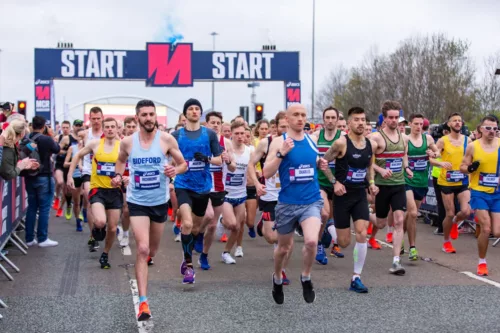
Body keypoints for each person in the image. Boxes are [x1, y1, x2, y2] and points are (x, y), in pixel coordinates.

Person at [112, 100, 186, 321]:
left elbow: (183, 164)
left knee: (152, 250)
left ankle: (148, 258)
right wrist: (117, 176)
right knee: (142, 249)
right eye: (144, 114)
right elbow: (120, 161)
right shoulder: (127, 142)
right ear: (137, 118)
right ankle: (143, 302)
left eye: (151, 114)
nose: (148, 118)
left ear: (156, 117)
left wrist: (175, 169)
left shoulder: (166, 139)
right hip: (137, 202)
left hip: (159, 202)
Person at [263, 104, 328, 304]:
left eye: (303, 115)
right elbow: (266, 173)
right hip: (287, 203)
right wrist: (281, 154)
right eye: (296, 115)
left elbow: (310, 160)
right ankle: (277, 277)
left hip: (311, 200)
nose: (300, 119)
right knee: (283, 248)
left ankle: (306, 277)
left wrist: (319, 164)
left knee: (311, 241)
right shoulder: (278, 142)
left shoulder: (312, 139)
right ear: (288, 119)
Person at [322, 107, 379, 293]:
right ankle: (328, 227)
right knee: (344, 242)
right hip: (342, 196)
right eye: (356, 120)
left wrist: (371, 183)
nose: (361, 123)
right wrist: (334, 182)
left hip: (360, 194)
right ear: (348, 123)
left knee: (362, 233)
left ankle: (356, 277)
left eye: (363, 120)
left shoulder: (370, 144)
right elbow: (322, 162)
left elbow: (370, 166)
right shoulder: (341, 143)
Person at [171, 98, 222, 284]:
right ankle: (188, 266)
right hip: (183, 184)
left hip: (203, 186)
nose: (194, 111)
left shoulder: (209, 134)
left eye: (197, 109)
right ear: (185, 114)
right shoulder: (176, 135)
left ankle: (192, 242)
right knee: (186, 223)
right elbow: (167, 157)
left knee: (195, 227)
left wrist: (207, 158)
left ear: (200, 113)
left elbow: (219, 160)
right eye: (190, 109)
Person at [68, 118, 122, 269]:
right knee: (100, 222)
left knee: (112, 228)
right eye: (107, 127)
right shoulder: (95, 144)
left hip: (114, 191)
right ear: (103, 129)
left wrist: (125, 178)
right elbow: (77, 156)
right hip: (97, 189)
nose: (110, 129)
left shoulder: (122, 146)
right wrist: (69, 175)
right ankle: (97, 229)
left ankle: (105, 253)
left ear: (117, 129)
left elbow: (130, 166)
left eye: (113, 127)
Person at [370, 100, 411, 275]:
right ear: (384, 119)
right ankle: (364, 214)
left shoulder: (404, 138)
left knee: (399, 219)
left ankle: (396, 261)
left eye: (397, 117)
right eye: (391, 118)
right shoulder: (376, 138)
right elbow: (367, 162)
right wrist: (380, 169)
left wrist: (407, 167)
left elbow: (404, 156)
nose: (394, 121)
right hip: (382, 186)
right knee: (380, 222)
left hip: (399, 184)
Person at [251, 111, 291, 283]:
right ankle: (262, 225)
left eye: (287, 127)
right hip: (269, 195)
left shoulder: (296, 143)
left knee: (286, 238)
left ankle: (281, 271)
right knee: (272, 237)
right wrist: (257, 183)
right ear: (276, 127)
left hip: (288, 196)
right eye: (282, 126)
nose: (285, 130)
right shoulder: (265, 144)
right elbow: (251, 165)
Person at [460, 115, 500, 276]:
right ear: (480, 129)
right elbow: (462, 166)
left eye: (495, 128)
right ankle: (482, 262)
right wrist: (470, 169)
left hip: (497, 193)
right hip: (479, 191)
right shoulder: (473, 147)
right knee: (486, 227)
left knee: (497, 232)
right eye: (488, 128)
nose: (491, 131)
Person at [196, 111, 235, 270]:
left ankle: (204, 255)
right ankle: (198, 234)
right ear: (206, 124)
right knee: (209, 215)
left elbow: (232, 168)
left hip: (219, 187)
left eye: (218, 123)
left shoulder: (226, 143)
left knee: (212, 226)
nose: (216, 126)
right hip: (202, 186)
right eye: (213, 123)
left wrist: (228, 160)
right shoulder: (200, 140)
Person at [403, 114, 440, 260]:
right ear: (410, 124)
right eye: (416, 124)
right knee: (412, 213)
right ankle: (412, 247)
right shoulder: (405, 139)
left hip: (422, 181)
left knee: (411, 214)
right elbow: (403, 157)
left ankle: (399, 239)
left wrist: (434, 153)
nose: (418, 127)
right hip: (407, 179)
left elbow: (437, 152)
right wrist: (406, 168)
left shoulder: (428, 139)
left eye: (421, 124)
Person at [435, 113, 471, 253]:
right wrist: (440, 162)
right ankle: (446, 242)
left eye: (459, 121)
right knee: (449, 213)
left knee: (466, 211)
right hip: (446, 181)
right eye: (454, 121)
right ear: (449, 124)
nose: (457, 123)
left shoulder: (468, 140)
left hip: (462, 180)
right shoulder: (443, 141)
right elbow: (434, 157)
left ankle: (456, 221)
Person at [312, 106, 344, 263]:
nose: (330, 121)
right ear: (323, 119)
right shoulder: (316, 137)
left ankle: (328, 238)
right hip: (321, 182)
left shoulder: (343, 137)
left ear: (338, 120)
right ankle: (318, 244)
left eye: (333, 117)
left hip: (338, 183)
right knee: (324, 213)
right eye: (328, 118)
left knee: (335, 218)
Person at [25, 116, 60, 247]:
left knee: (32, 207)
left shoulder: (26, 138)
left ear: (32, 125)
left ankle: (29, 239)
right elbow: (57, 149)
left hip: (29, 176)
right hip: (44, 175)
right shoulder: (46, 139)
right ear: (44, 126)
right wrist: (51, 135)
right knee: (44, 208)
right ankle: (42, 238)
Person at [81, 107, 104, 251]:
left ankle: (101, 226)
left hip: (105, 173)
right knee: (89, 200)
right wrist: (78, 166)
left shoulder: (108, 132)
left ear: (102, 118)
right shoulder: (85, 134)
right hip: (89, 172)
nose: (95, 121)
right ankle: (92, 235)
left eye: (98, 118)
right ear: (89, 119)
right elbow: (79, 152)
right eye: (93, 118)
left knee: (104, 206)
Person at [119, 116, 138, 247]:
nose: (131, 129)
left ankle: (125, 234)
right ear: (124, 127)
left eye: (133, 127)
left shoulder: (141, 142)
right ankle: (119, 228)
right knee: (119, 210)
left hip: (135, 181)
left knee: (126, 210)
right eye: (129, 127)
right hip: (120, 179)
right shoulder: (120, 142)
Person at [63, 128, 86, 232]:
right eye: (79, 137)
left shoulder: (92, 147)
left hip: (87, 176)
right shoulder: (72, 148)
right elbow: (65, 163)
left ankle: (85, 214)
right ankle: (78, 221)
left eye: (83, 137)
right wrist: (76, 163)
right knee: (76, 201)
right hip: (76, 176)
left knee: (87, 198)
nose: (81, 139)